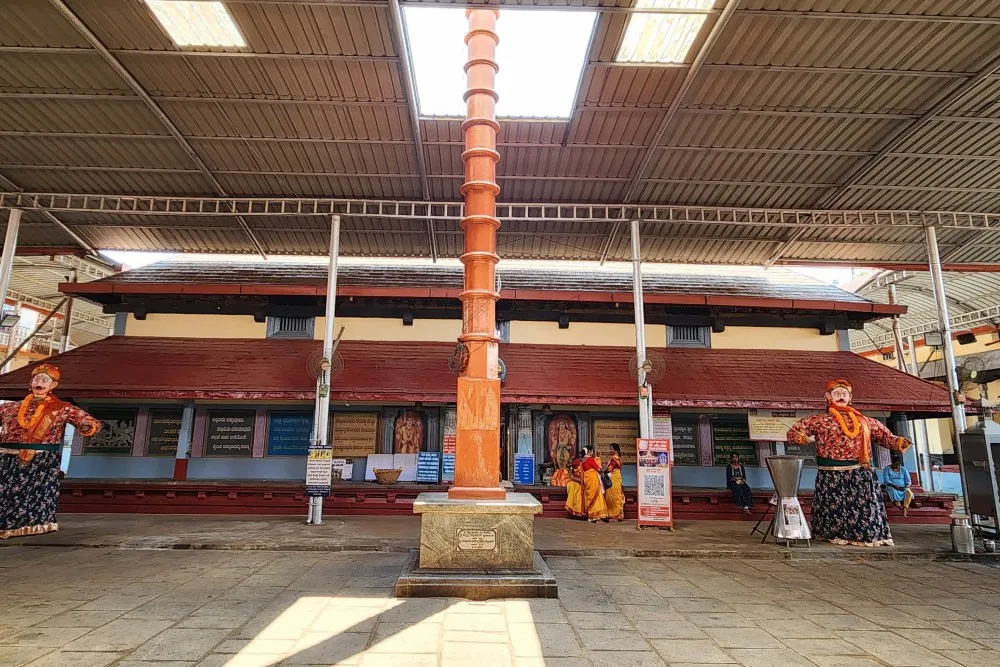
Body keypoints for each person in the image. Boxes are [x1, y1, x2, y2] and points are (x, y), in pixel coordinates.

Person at [787, 378, 911, 547]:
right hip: (831, 472)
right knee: (834, 506)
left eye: (844, 394)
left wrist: (898, 442)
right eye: (836, 394)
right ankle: (831, 533)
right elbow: (794, 431)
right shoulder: (819, 420)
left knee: (864, 507)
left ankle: (867, 535)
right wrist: (800, 437)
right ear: (828, 397)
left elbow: (884, 436)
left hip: (860, 472)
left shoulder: (865, 421)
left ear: (850, 398)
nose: (840, 397)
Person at [0, 364, 102, 539]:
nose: (40, 383)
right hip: (7, 458)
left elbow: (90, 422)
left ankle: (31, 525)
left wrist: (86, 426)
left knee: (33, 493)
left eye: (45, 380)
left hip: (41, 461)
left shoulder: (61, 408)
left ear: (53, 385)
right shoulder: (10, 408)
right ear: (30, 382)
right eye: (37, 379)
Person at [882, 453, 914, 517]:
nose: (897, 466)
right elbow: (886, 479)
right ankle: (899, 507)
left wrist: (906, 486)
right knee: (893, 492)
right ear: (892, 463)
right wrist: (894, 486)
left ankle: (905, 508)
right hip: (891, 486)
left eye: (899, 464)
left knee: (909, 492)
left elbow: (908, 480)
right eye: (896, 464)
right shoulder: (887, 468)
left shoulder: (904, 469)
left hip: (903, 487)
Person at [581, 446, 608, 522]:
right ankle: (596, 516)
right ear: (589, 451)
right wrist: (604, 468)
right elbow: (598, 469)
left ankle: (590, 516)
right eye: (592, 451)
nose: (592, 453)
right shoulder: (590, 459)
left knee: (590, 498)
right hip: (593, 480)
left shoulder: (582, 460)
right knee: (597, 497)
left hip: (587, 481)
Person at [604, 443, 625, 522]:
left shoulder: (614, 459)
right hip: (617, 477)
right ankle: (617, 515)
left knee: (613, 496)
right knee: (615, 495)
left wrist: (603, 471)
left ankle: (615, 516)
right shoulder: (617, 458)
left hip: (614, 477)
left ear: (616, 450)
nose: (610, 450)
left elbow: (610, 469)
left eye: (611, 449)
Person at [564, 449, 586, 518]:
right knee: (575, 487)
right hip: (575, 481)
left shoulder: (585, 464)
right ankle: (576, 510)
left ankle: (580, 511)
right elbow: (572, 476)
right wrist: (579, 480)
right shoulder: (576, 463)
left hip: (583, 482)